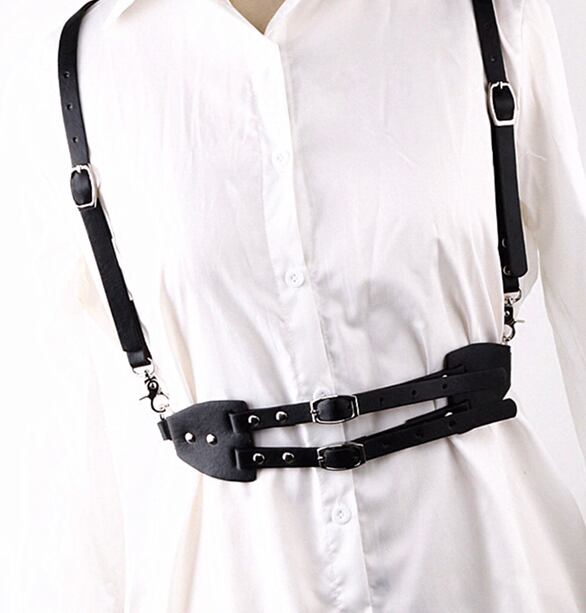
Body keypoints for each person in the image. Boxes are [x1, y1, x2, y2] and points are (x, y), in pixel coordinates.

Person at [1, 0, 585, 611]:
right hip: (235, 582)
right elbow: (56, 453)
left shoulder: (488, 18)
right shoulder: (75, 68)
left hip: (488, 568)